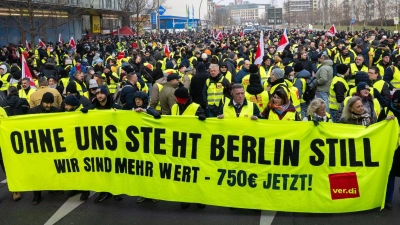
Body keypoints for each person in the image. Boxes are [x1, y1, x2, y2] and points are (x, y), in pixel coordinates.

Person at [82, 86, 123, 202]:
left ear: (106, 94)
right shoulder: (91, 108)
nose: (99, 95)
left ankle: (116, 191)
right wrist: (83, 113)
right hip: (98, 144)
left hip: (113, 145)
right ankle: (104, 192)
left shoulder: (116, 107)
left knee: (115, 169)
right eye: (97, 93)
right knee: (102, 169)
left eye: (101, 93)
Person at [28, 92, 61, 205]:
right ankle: (37, 195)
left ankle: (52, 188)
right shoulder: (33, 112)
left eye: (50, 103)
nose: (48, 106)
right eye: (46, 103)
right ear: (42, 102)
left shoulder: (57, 111)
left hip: (52, 147)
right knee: (37, 171)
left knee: (52, 169)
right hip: (38, 147)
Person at [377, 90, 400, 210]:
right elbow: (377, 127)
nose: (397, 106)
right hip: (390, 148)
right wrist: (385, 121)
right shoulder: (386, 110)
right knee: (390, 174)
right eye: (396, 103)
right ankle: (388, 199)